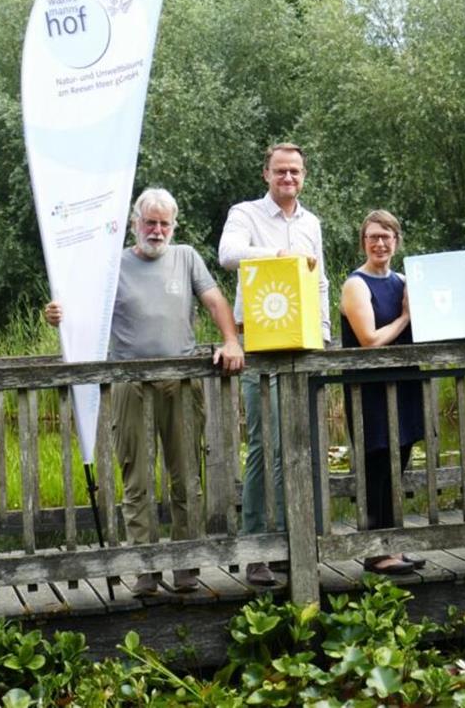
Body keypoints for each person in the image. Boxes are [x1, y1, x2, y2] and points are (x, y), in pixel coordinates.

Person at [45, 188, 245, 597]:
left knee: (186, 476)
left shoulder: (186, 257)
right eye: (149, 222)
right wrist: (56, 314)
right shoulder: (111, 263)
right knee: (136, 479)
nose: (156, 230)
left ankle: (185, 563)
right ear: (135, 223)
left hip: (181, 381)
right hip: (129, 383)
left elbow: (214, 300)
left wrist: (231, 341)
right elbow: (76, 311)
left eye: (164, 223)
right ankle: (145, 566)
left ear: (174, 225)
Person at [218, 143, 330, 586]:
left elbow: (319, 280)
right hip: (261, 342)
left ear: (303, 176)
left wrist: (322, 334)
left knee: (297, 444)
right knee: (264, 447)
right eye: (280, 171)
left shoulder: (311, 222)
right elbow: (228, 255)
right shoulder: (245, 214)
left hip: (302, 345)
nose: (288, 178)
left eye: (295, 172)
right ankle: (255, 548)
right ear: (266, 174)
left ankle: (289, 540)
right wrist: (278, 258)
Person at [339, 210, 426, 575]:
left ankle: (392, 545)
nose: (379, 243)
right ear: (364, 241)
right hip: (370, 393)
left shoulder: (404, 280)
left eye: (386, 237)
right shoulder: (355, 284)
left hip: (403, 386)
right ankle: (375, 553)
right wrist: (406, 316)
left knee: (398, 465)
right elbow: (370, 340)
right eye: (373, 236)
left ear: (396, 241)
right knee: (377, 468)